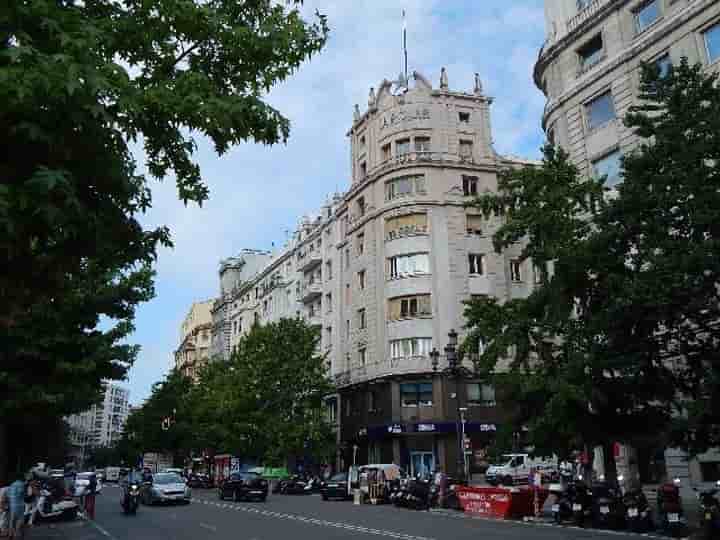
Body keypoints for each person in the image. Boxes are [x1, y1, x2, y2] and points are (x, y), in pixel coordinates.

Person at [6, 472, 26, 539]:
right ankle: (18, 535)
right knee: (20, 520)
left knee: (12, 520)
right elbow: (21, 492)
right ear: (21, 477)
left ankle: (10, 534)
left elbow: (8, 495)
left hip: (12, 504)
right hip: (19, 504)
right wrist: (24, 494)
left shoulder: (12, 484)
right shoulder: (21, 484)